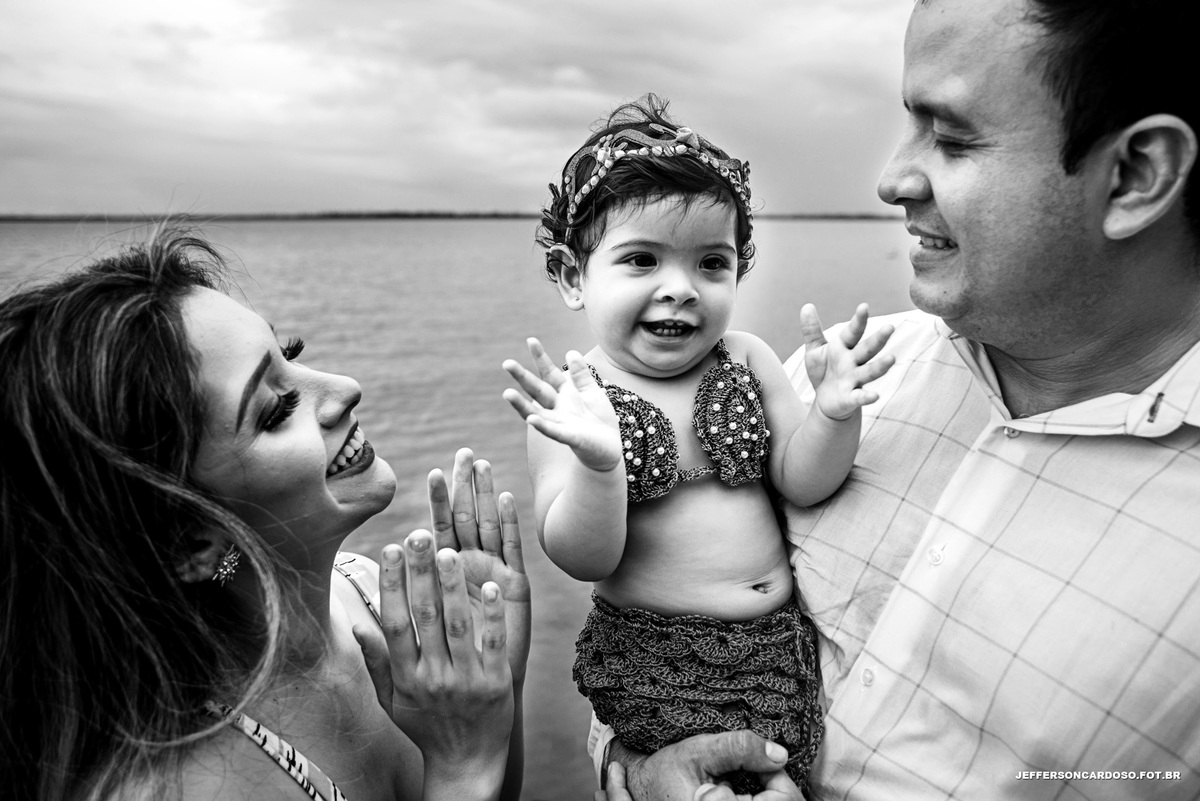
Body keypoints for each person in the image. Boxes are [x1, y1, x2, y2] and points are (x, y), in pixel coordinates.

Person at [596, 0, 1200, 799]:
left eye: (950, 138)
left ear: (1134, 175)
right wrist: (635, 774)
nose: (890, 179)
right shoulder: (828, 381)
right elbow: (657, 629)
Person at [0, 229, 531, 801]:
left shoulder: (368, 587)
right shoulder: (184, 786)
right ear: (191, 541)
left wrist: (495, 691)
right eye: (278, 409)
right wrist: (463, 767)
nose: (345, 388)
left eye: (292, 356)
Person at [501, 96, 894, 794]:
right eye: (642, 260)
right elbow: (582, 553)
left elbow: (802, 480)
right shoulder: (578, 401)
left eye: (711, 263)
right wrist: (599, 466)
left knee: (786, 775)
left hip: (777, 648)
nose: (680, 289)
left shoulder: (745, 360)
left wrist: (833, 415)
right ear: (571, 277)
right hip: (654, 662)